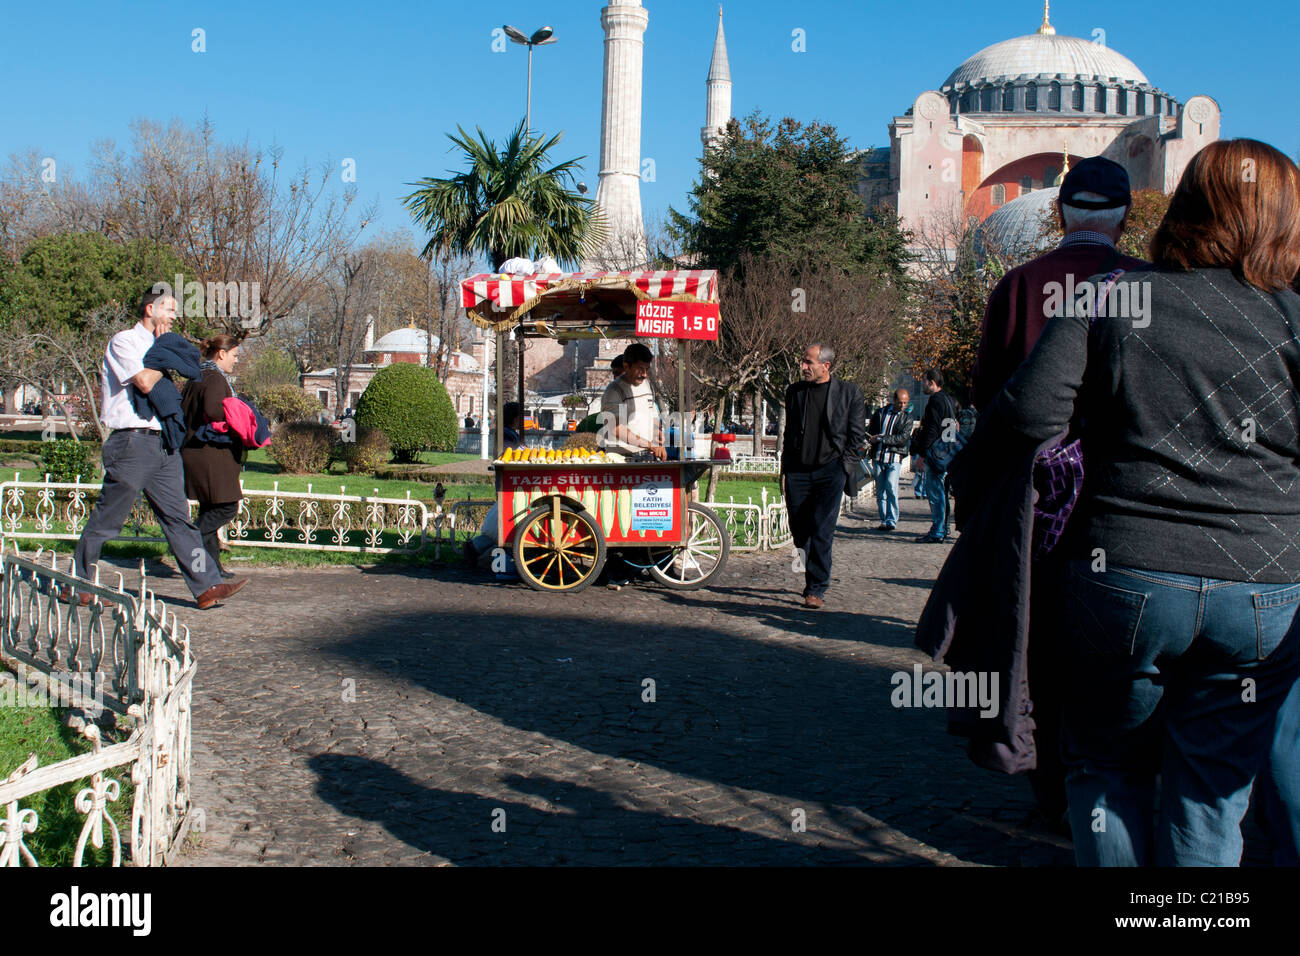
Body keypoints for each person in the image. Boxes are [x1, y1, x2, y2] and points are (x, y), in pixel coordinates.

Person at [979, 138, 1300, 866]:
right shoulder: (1292, 318)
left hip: (1124, 573)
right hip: (1264, 585)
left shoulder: (1113, 298)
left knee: (1108, 768)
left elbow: (1028, 415)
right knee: (1213, 789)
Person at [969, 156, 1147, 830]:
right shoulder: (1146, 285)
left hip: (1037, 502)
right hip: (1125, 498)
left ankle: (1052, 787)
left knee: (1039, 638)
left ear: (1058, 212)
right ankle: (1117, 782)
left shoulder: (1020, 285)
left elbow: (992, 397)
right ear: (1125, 216)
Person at [67, 288, 246, 610]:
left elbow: (179, 373)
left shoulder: (156, 346)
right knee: (109, 518)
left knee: (179, 520)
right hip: (132, 440)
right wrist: (164, 350)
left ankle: (207, 587)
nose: (175, 316)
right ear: (150, 308)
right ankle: (79, 582)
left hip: (163, 442)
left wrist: (164, 351)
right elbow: (146, 382)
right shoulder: (125, 342)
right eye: (170, 309)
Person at [779, 343, 866, 609]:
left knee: (822, 529)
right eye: (803, 362)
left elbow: (857, 437)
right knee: (800, 530)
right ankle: (812, 575)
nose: (803, 367)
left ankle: (815, 588)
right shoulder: (794, 392)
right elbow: (788, 434)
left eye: (809, 362)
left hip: (831, 471)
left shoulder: (849, 393)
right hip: (798, 471)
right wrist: (784, 470)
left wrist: (844, 467)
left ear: (825, 366)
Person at [181, 334, 246, 580]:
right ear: (221, 353)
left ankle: (210, 567)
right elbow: (214, 410)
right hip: (210, 456)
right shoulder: (214, 378)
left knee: (211, 508)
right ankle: (189, 542)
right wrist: (239, 415)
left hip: (197, 453)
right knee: (227, 507)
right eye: (234, 355)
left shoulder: (198, 375)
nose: (236, 361)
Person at [465, 402, 525, 565]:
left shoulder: (509, 433)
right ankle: (477, 548)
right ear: (515, 418)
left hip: (510, 481)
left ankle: (476, 547)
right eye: (521, 417)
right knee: (503, 522)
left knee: (502, 522)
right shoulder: (506, 435)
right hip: (511, 482)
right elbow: (511, 454)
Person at [912, 369, 958, 544]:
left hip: (936, 455)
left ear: (931, 382)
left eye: (923, 381)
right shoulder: (947, 399)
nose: (922, 384)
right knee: (942, 492)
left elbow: (931, 429)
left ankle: (938, 530)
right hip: (946, 453)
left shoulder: (935, 401)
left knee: (936, 494)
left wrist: (923, 455)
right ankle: (943, 528)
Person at [599, 343, 665, 460]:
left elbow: (652, 413)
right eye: (640, 369)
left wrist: (657, 434)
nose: (644, 374)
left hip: (647, 454)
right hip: (622, 457)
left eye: (646, 369)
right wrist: (651, 446)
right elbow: (616, 428)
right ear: (626, 366)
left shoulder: (647, 384)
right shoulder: (614, 391)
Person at [866, 389, 913, 532]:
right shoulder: (880, 413)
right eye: (900, 402)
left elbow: (902, 439)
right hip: (879, 456)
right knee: (880, 491)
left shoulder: (907, 418)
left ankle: (892, 520)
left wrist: (881, 438)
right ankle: (884, 520)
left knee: (891, 487)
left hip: (895, 457)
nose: (903, 406)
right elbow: (870, 432)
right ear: (894, 400)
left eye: (905, 403)